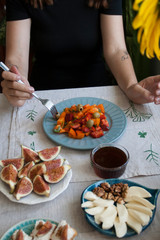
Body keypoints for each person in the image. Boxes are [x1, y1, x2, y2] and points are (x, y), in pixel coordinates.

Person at [1, 0, 160, 107]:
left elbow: (116, 49)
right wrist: (17, 84)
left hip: (98, 93)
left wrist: (131, 86)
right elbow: (17, 55)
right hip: (43, 96)